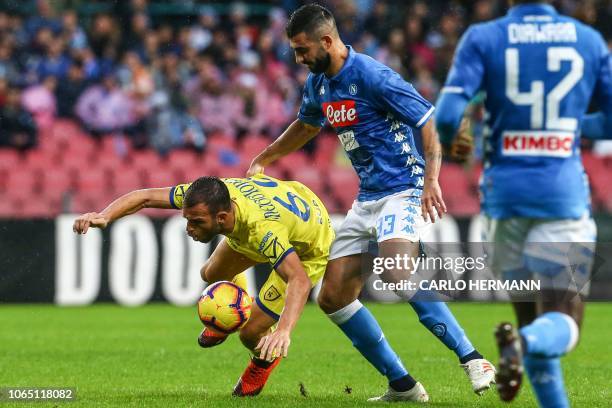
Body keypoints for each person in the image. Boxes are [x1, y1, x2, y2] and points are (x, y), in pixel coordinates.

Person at [247, 4, 495, 402]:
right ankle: (403, 385)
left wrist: (431, 180)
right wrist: (266, 157)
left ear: (327, 41)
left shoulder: (373, 75)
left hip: (403, 187)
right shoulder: (319, 83)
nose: (298, 58)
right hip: (368, 198)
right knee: (332, 297)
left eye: (302, 49)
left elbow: (427, 121)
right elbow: (308, 125)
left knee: (397, 272)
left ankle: (474, 358)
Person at [435, 1, 612, 406]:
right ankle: (524, 343)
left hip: (502, 204)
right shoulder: (587, 39)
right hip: (560, 199)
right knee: (564, 322)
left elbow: (447, 116)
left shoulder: (482, 37)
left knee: (531, 314)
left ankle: (524, 342)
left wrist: (457, 139)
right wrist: (565, 127)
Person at [72, 174, 335, 397]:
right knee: (211, 273)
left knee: (251, 334)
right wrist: (105, 216)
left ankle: (263, 362)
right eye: (187, 219)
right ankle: (230, 317)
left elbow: (298, 280)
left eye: (196, 222)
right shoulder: (206, 195)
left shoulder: (263, 230)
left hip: (307, 247)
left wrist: (284, 331)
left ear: (221, 217)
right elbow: (144, 196)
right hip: (279, 213)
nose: (189, 228)